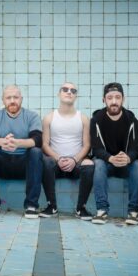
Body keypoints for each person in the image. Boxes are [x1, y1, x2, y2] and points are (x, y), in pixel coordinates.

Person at [0, 85, 44, 218]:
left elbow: (37, 140)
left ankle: (31, 205)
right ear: (3, 100)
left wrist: (17, 143)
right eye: (8, 98)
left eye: (16, 97)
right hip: (2, 163)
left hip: (24, 164)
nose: (12, 101)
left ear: (21, 99)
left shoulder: (32, 116)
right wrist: (1, 142)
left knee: (36, 152)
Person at [41, 82, 95, 219]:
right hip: (55, 164)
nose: (69, 92)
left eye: (73, 90)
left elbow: (87, 145)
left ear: (76, 96)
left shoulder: (83, 118)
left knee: (89, 164)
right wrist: (58, 158)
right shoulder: (49, 118)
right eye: (65, 89)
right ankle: (51, 206)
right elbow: (45, 145)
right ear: (59, 94)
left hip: (76, 164)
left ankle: (81, 208)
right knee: (45, 162)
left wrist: (74, 160)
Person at [90, 82, 138, 225]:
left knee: (137, 164)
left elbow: (136, 147)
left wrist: (128, 158)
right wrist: (110, 158)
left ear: (123, 99)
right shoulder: (96, 120)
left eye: (117, 97)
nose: (114, 101)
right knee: (98, 163)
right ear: (104, 100)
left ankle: (133, 212)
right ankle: (102, 211)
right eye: (110, 97)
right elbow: (96, 148)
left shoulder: (132, 120)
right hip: (107, 163)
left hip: (126, 163)